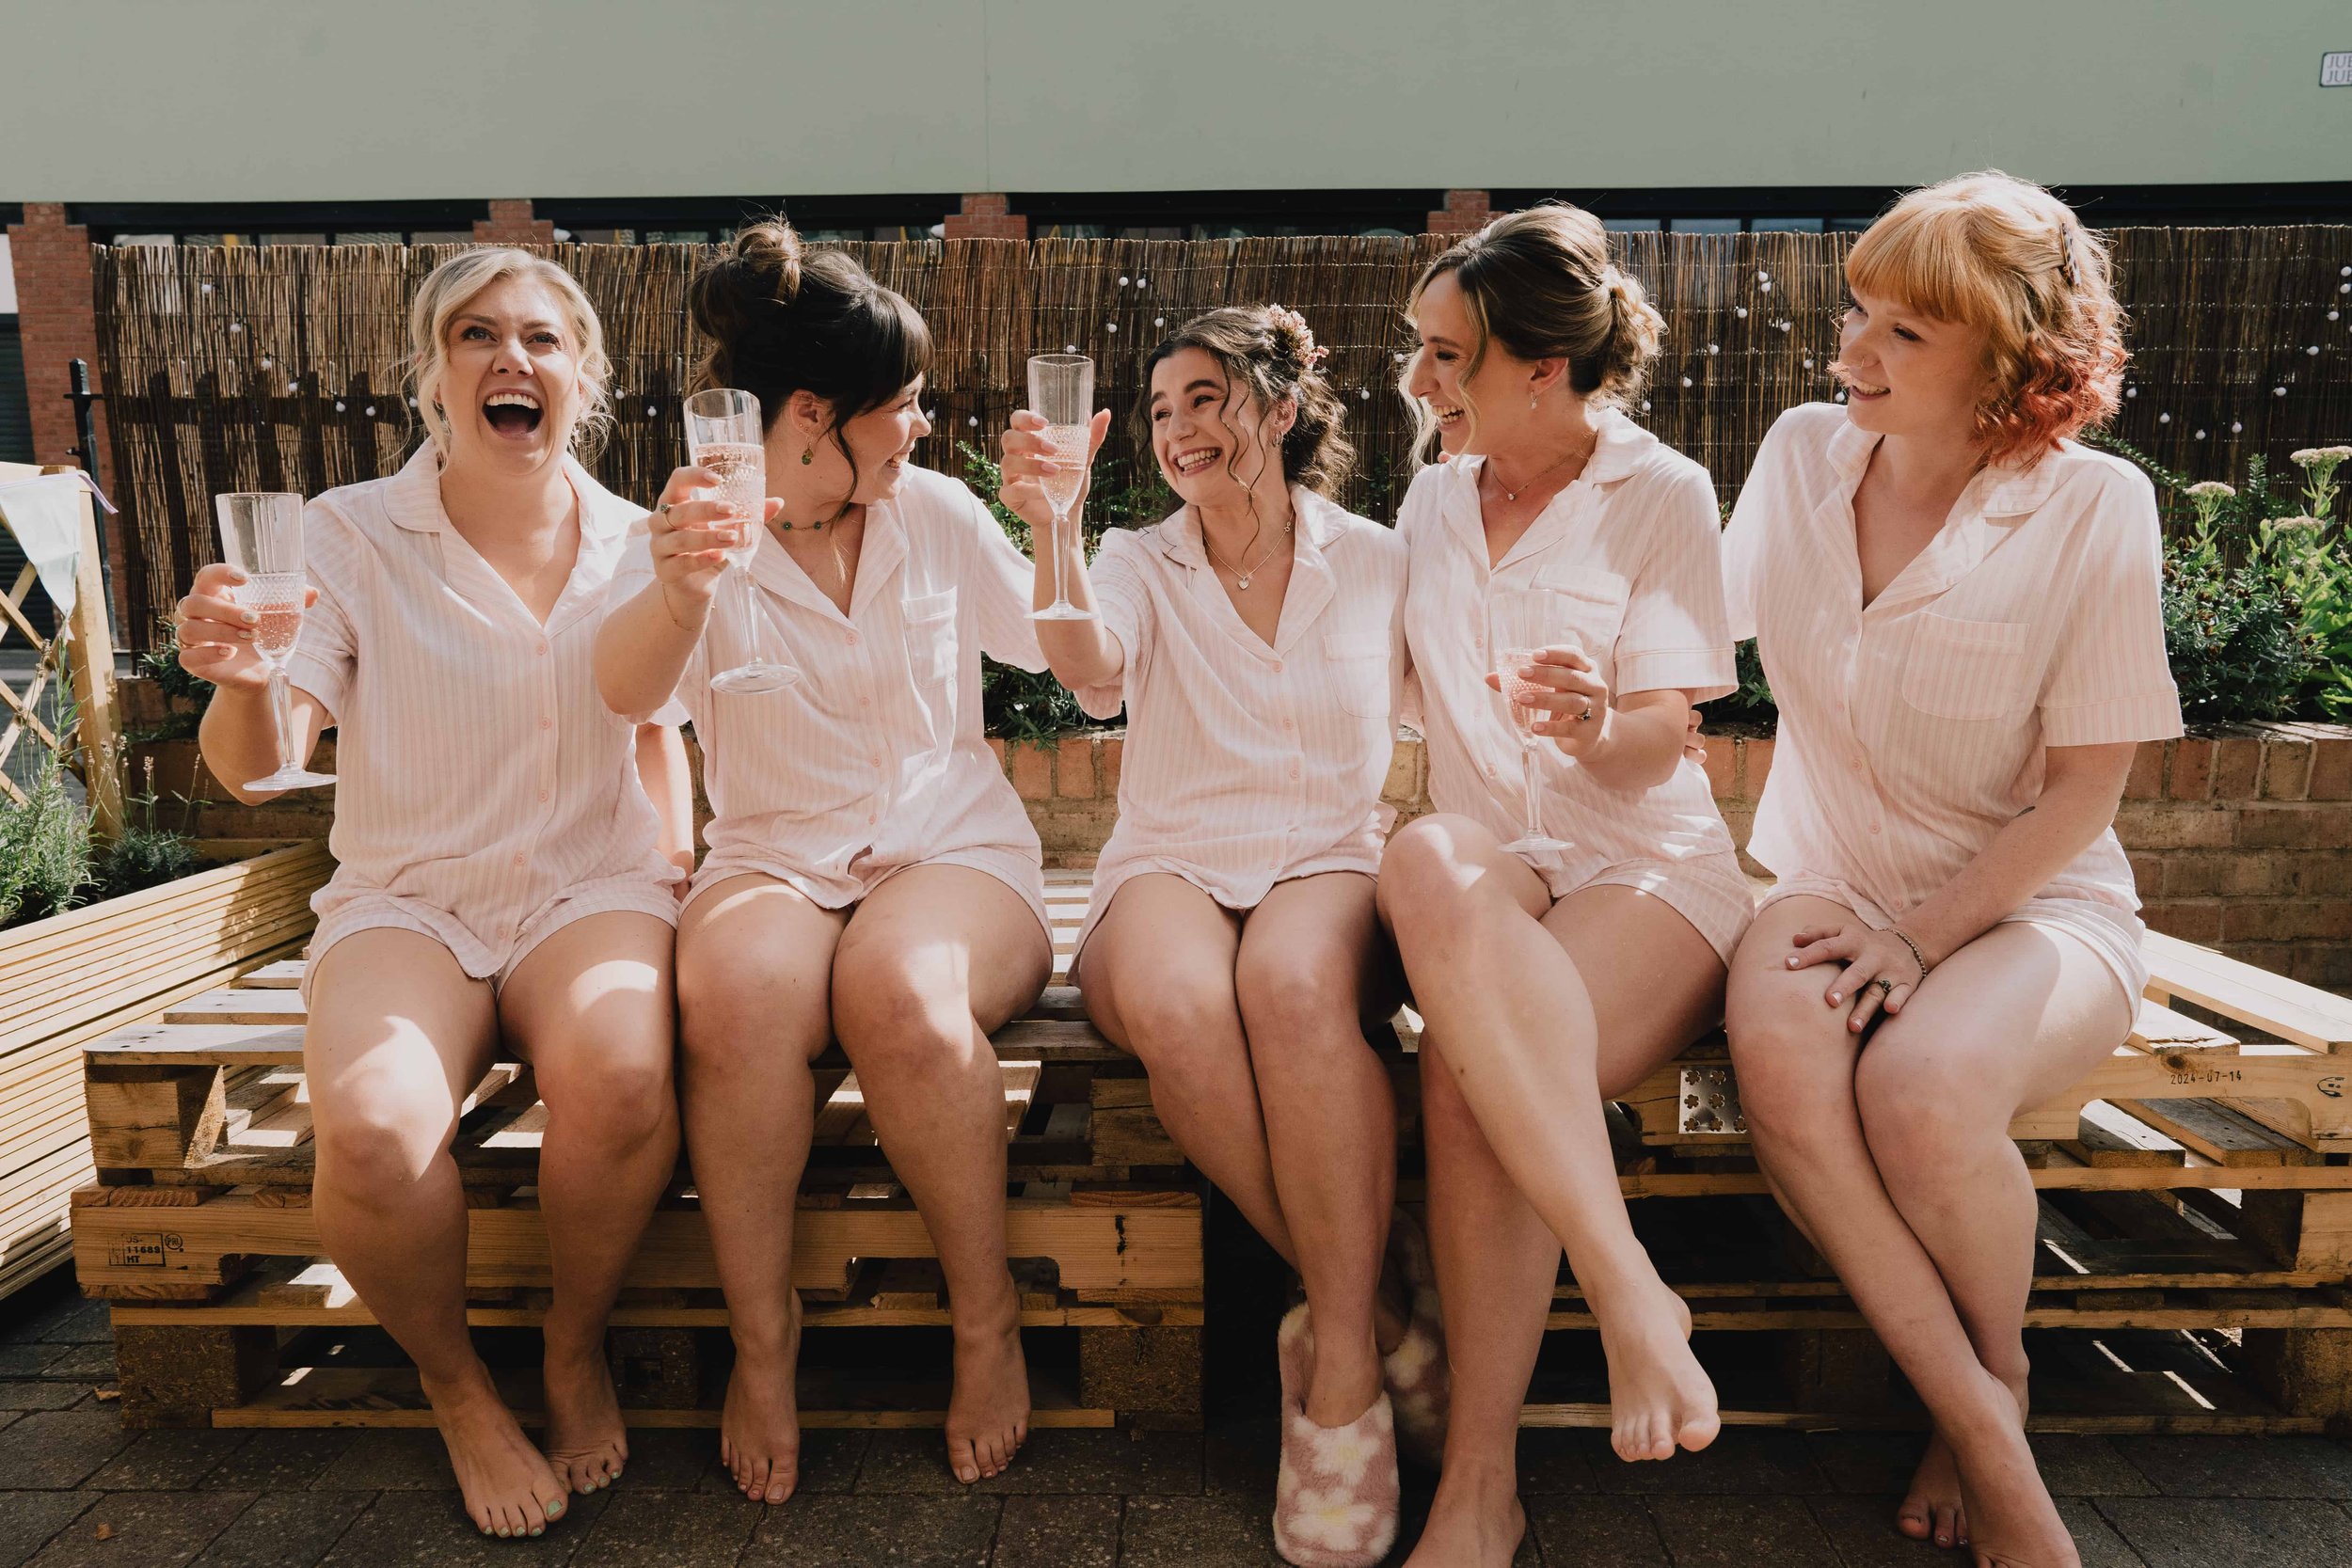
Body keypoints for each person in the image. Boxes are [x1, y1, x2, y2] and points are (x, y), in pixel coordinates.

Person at [177, 249, 693, 1539]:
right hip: (410, 899)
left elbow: (652, 729)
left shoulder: (643, 543)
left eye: (541, 339)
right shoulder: (343, 534)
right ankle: (458, 1387)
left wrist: (675, 865)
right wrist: (239, 680)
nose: (510, 359)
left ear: (584, 379)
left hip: (591, 884)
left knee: (627, 1078)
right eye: (476, 335)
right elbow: (265, 770)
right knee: (366, 1133)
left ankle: (573, 1346)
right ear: (434, 375)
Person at [1721, 171, 2179, 1566]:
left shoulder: (2096, 508)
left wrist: (1920, 942)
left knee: (1917, 1094)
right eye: (1859, 313)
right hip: (1819, 873)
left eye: (1907, 335)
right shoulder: (1803, 453)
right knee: (1794, 1084)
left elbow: (2083, 793)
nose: (1853, 354)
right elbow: (1683, 642)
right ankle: (1988, 1424)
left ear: (2015, 356)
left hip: (2031, 902)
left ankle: (1992, 1388)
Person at [595, 219, 1054, 1502]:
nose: (919, 427)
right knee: (735, 994)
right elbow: (623, 694)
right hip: (775, 858)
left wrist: (1058, 527)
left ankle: (986, 1322)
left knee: (902, 993)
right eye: (900, 407)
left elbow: (1075, 661)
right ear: (814, 413)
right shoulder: (694, 537)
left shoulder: (939, 512)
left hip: (950, 849)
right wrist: (682, 592)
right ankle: (764, 1343)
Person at [1000, 305, 1435, 1568]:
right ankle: (1375, 1305)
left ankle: (1338, 1366)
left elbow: (1461, 697)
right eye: (1161, 409)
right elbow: (1086, 665)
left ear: (1279, 410)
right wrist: (1055, 531)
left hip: (1323, 855)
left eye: (1207, 399)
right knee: (1191, 1006)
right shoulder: (1138, 558)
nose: (1180, 427)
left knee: (1296, 989)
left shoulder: (1381, 560)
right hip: (1169, 860)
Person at [1373, 204, 1756, 1567]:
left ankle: (1480, 1484)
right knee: (1421, 850)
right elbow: (1376, 692)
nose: (1418, 383)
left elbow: (1668, 735)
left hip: (1642, 864)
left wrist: (1599, 718)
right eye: (1418, 351)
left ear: (1544, 366)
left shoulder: (1660, 492)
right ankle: (1631, 1292)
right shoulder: (1427, 496)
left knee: (1473, 1083)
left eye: (1446, 356)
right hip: (1489, 868)